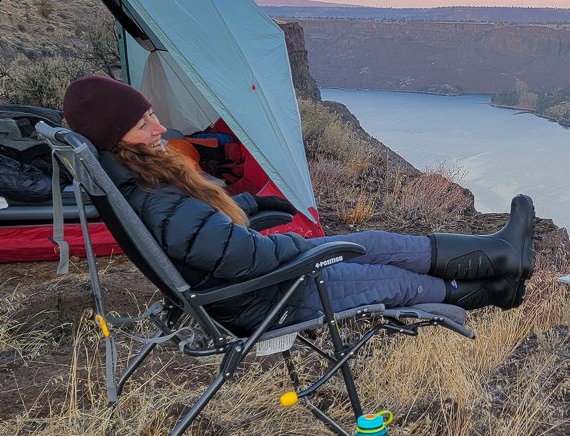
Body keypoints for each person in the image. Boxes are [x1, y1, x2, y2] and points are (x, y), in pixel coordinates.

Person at [60, 75, 536, 334]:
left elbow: (206, 235)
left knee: (370, 240)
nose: (160, 128)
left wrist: (250, 200)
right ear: (114, 139)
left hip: (258, 283)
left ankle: (501, 257)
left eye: (153, 116)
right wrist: (301, 249)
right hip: (264, 300)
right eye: (145, 125)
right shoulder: (154, 196)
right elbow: (235, 254)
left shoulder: (142, 182)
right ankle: (497, 289)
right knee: (394, 280)